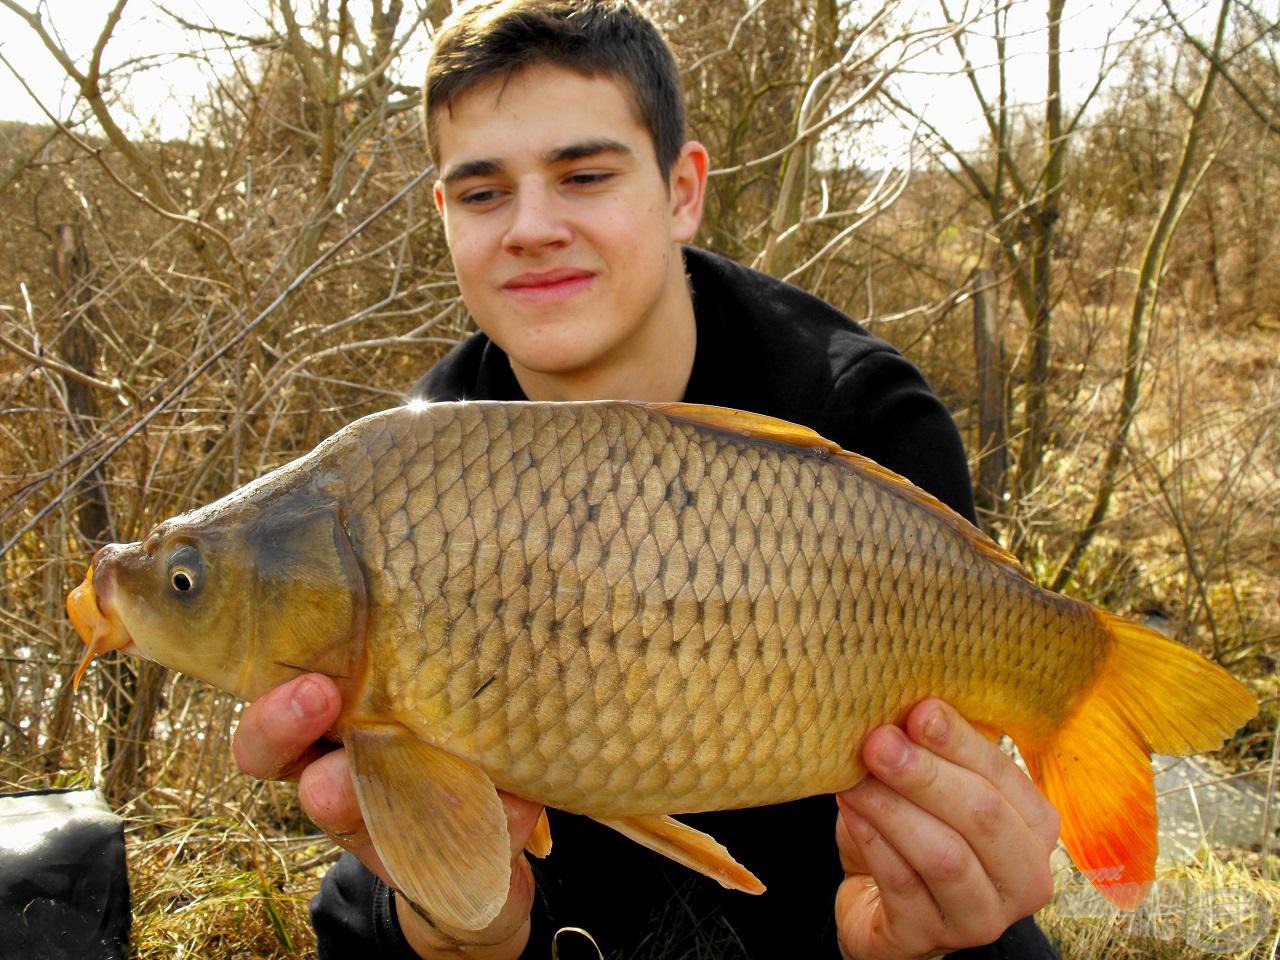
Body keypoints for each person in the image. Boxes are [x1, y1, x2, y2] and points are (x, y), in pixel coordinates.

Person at [232, 1, 1061, 956]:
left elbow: (947, 806)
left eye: (584, 176)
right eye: (483, 193)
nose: (531, 227)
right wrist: (456, 927)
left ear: (681, 189)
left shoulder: (867, 420)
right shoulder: (399, 485)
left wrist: (913, 940)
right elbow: (377, 882)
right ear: (445, 215)